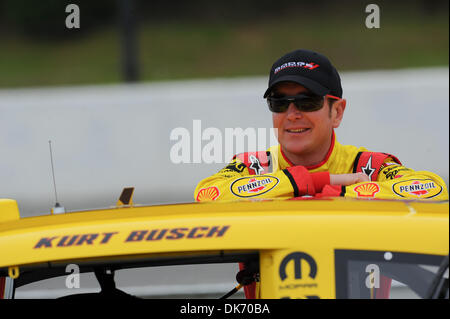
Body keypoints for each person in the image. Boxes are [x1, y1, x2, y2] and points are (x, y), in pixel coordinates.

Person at [194, 49, 449, 297]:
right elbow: (207, 193)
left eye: (307, 101)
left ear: (336, 111)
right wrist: (312, 182)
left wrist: (346, 193)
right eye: (279, 103)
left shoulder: (367, 166)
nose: (292, 115)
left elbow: (433, 188)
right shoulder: (252, 167)